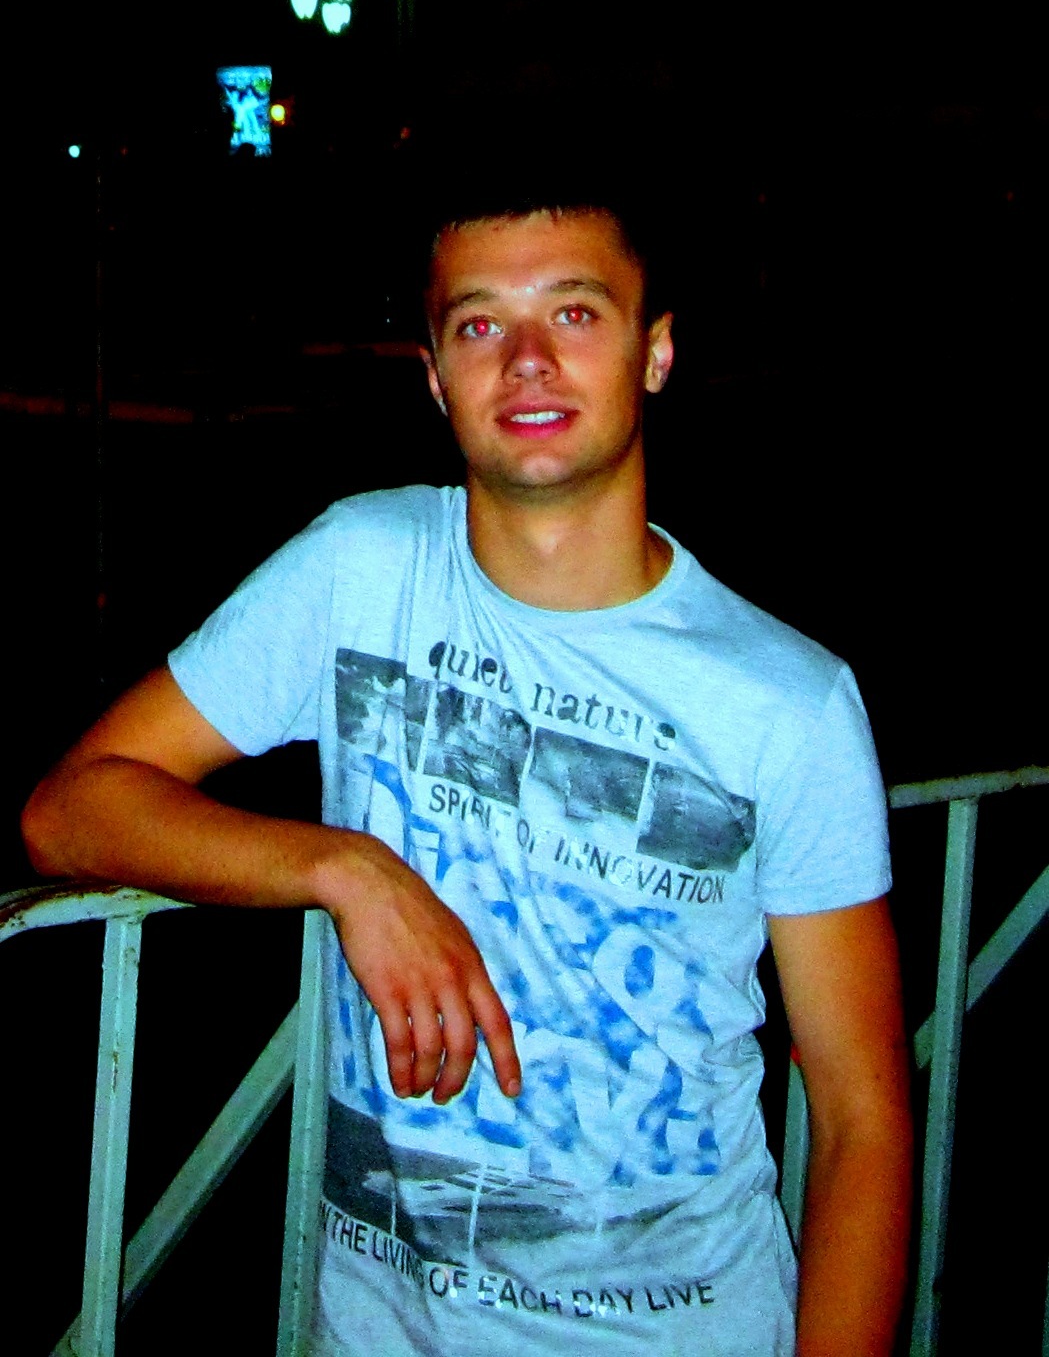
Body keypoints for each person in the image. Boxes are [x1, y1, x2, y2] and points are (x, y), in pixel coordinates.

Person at [22, 158, 912, 1356]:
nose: (528, 360)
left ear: (653, 351)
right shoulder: (361, 568)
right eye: (480, 324)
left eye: (574, 313)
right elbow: (71, 810)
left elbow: (859, 1115)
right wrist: (347, 869)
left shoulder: (787, 702)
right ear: (436, 376)